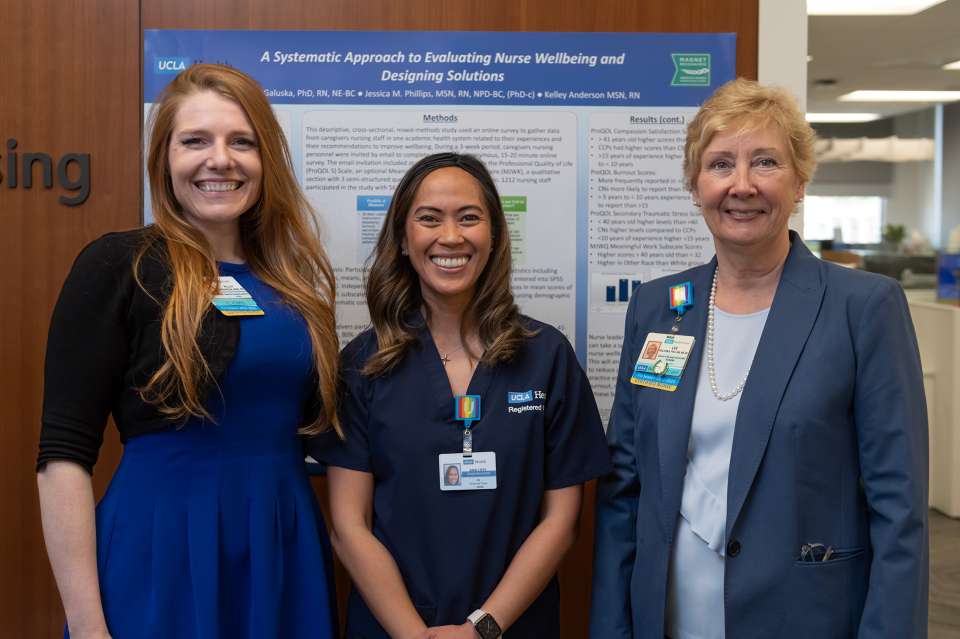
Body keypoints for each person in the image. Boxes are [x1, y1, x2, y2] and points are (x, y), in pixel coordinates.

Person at [590, 78, 928, 639]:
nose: (741, 185)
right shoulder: (658, 307)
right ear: (696, 186)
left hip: (804, 618)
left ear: (799, 183)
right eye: (720, 164)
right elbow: (624, 492)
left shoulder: (863, 308)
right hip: (669, 618)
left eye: (765, 162)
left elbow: (900, 513)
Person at [36, 64, 340, 639]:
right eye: (195, 140)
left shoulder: (294, 284)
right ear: (164, 159)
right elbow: (63, 458)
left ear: (265, 160)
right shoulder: (119, 266)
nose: (219, 159)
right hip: (162, 549)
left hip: (281, 547)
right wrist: (87, 625)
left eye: (241, 141)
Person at [310, 152, 611, 639]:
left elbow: (561, 522)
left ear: (493, 236)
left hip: (513, 626)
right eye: (429, 219)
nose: (450, 237)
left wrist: (481, 629)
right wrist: (414, 634)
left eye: (469, 218)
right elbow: (349, 525)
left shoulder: (547, 357)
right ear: (404, 241)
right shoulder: (362, 365)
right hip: (394, 627)